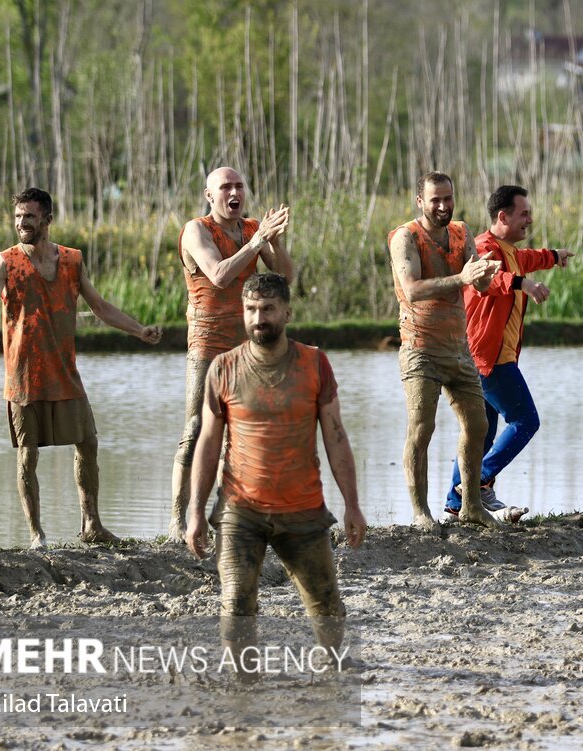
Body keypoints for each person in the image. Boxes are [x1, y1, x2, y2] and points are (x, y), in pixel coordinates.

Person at [185, 272, 366, 678]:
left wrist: (352, 506)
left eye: (268, 309)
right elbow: (208, 443)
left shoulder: (314, 363)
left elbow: (336, 437)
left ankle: (336, 663)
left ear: (286, 312)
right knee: (236, 598)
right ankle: (243, 676)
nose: (258, 317)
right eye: (250, 309)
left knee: (324, 599)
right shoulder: (223, 368)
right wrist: (195, 510)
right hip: (239, 509)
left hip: (302, 506)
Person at [0, 187, 162, 549]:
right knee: (28, 454)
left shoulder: (72, 260)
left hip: (65, 373)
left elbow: (100, 306)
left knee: (88, 443)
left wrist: (139, 330)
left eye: (29, 216)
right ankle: (36, 534)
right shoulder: (5, 262)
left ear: (48, 219)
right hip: (24, 377)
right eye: (17, 217)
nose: (22, 223)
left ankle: (92, 523)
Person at [170, 167, 293, 540]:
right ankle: (179, 519)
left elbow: (284, 276)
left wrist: (275, 240)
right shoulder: (197, 230)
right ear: (210, 195)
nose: (234, 192)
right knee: (196, 428)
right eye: (226, 187)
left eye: (239, 185)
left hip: (247, 343)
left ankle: (234, 514)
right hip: (207, 341)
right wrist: (257, 244)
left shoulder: (253, 228)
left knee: (249, 427)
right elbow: (219, 275)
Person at [443, 184, 573, 519]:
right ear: (503, 216)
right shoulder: (485, 248)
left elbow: (527, 259)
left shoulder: (510, 251)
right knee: (525, 419)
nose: (530, 219)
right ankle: (479, 482)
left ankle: (457, 503)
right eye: (524, 213)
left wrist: (554, 256)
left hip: (489, 358)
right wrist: (523, 284)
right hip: (486, 358)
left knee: (479, 433)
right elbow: (493, 275)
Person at [388, 171, 501, 530]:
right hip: (419, 347)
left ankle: (470, 506)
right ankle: (421, 512)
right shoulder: (406, 237)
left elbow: (477, 281)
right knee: (422, 428)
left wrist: (486, 275)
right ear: (419, 200)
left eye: (447, 198)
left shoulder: (461, 232)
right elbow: (413, 288)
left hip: (458, 347)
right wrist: (462, 279)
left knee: (478, 423)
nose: (443, 206)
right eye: (435, 199)